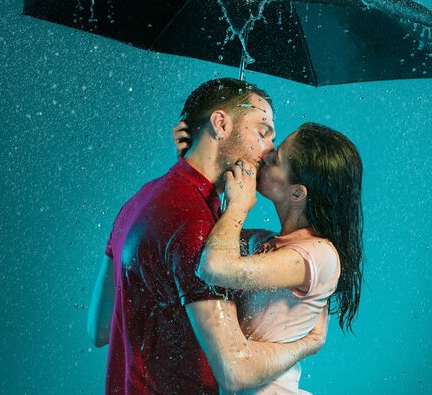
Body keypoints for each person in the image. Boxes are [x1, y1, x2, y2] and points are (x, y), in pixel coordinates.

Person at [87, 78, 328, 395]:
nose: (270, 149)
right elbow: (234, 371)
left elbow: (101, 329)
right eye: (263, 131)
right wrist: (307, 343)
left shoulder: (139, 200)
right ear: (221, 123)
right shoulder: (196, 225)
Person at [174, 121, 364, 394]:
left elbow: (214, 267)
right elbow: (206, 233)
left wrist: (239, 205)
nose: (266, 155)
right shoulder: (263, 242)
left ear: (297, 192)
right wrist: (196, 162)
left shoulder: (319, 255)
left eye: (276, 160)